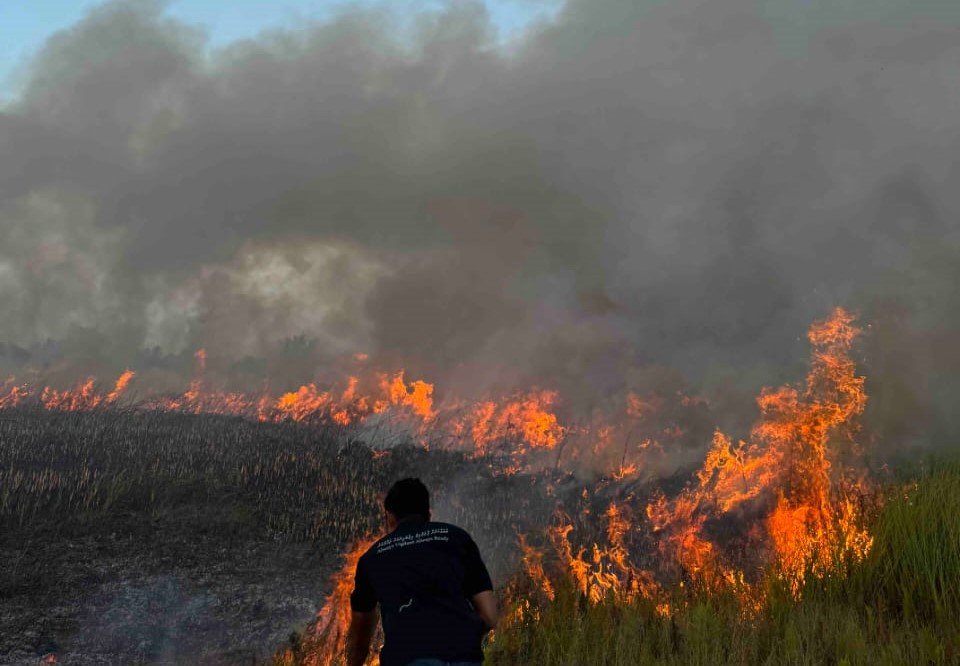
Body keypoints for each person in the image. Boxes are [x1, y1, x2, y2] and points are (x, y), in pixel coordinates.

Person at [346, 478, 498, 666]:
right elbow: (490, 616)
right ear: (428, 513)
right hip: (463, 657)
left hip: (407, 658)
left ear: (390, 517)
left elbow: (359, 639)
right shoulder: (457, 538)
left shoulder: (371, 558)